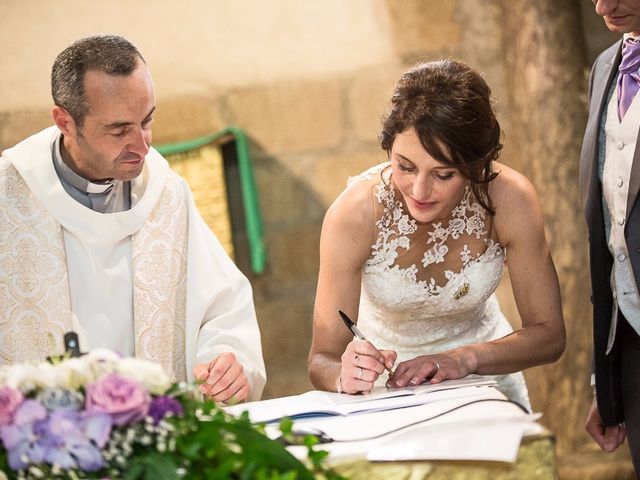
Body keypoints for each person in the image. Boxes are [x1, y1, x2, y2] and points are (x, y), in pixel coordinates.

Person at [0, 35, 266, 403]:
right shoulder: (8, 199)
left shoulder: (166, 193)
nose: (143, 145)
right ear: (65, 121)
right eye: (119, 129)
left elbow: (223, 308)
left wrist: (226, 364)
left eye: (147, 120)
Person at [308, 59, 566, 411]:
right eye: (404, 166)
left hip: (485, 378)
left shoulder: (510, 200)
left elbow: (549, 336)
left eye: (443, 174)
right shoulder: (354, 214)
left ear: (477, 166)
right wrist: (344, 374)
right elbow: (321, 359)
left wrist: (466, 359)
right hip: (386, 392)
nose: (419, 190)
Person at [581, 0, 640, 472]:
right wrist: (607, 380)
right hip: (632, 345)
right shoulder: (605, 67)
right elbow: (607, 231)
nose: (604, 6)